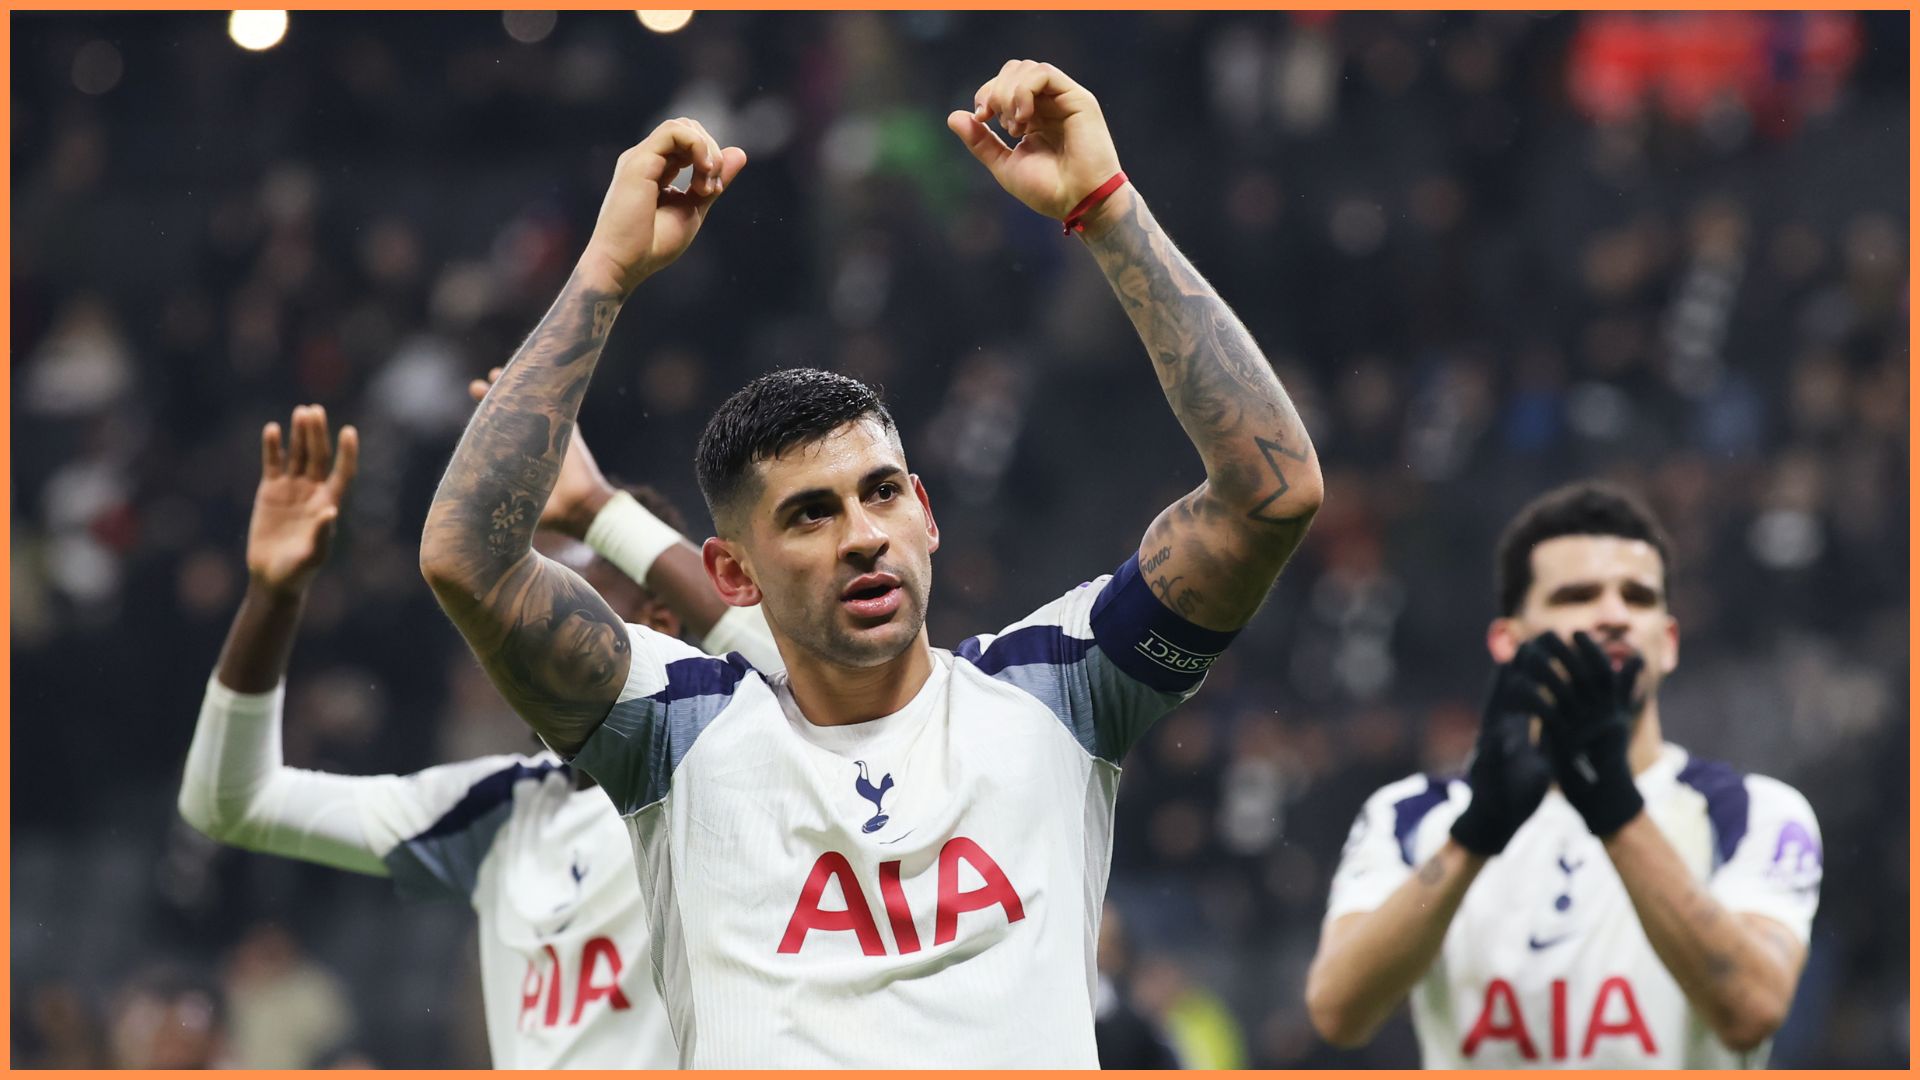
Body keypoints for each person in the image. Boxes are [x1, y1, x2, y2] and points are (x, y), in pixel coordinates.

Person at [419, 59, 1323, 1067]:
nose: (860, 533)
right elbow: (470, 562)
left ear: (927, 514)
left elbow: (1269, 494)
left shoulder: (1060, 687)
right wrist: (603, 274)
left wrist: (1106, 210)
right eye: (808, 515)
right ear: (733, 575)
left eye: (882, 492)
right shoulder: (671, 733)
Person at [178, 403, 780, 1068]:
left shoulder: (728, 762)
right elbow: (231, 802)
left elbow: (793, 670)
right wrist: (273, 597)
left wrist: (601, 510)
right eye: (511, 609)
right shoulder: (496, 812)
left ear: (658, 623)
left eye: (559, 601)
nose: (518, 631)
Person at [1304, 483, 1823, 1067]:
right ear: (1508, 640)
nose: (1614, 615)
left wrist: (1616, 812)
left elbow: (1753, 1009)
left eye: (1639, 596)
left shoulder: (1754, 810)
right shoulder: (1412, 813)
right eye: (1577, 595)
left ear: (1669, 641)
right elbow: (1338, 1012)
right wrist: (1475, 835)